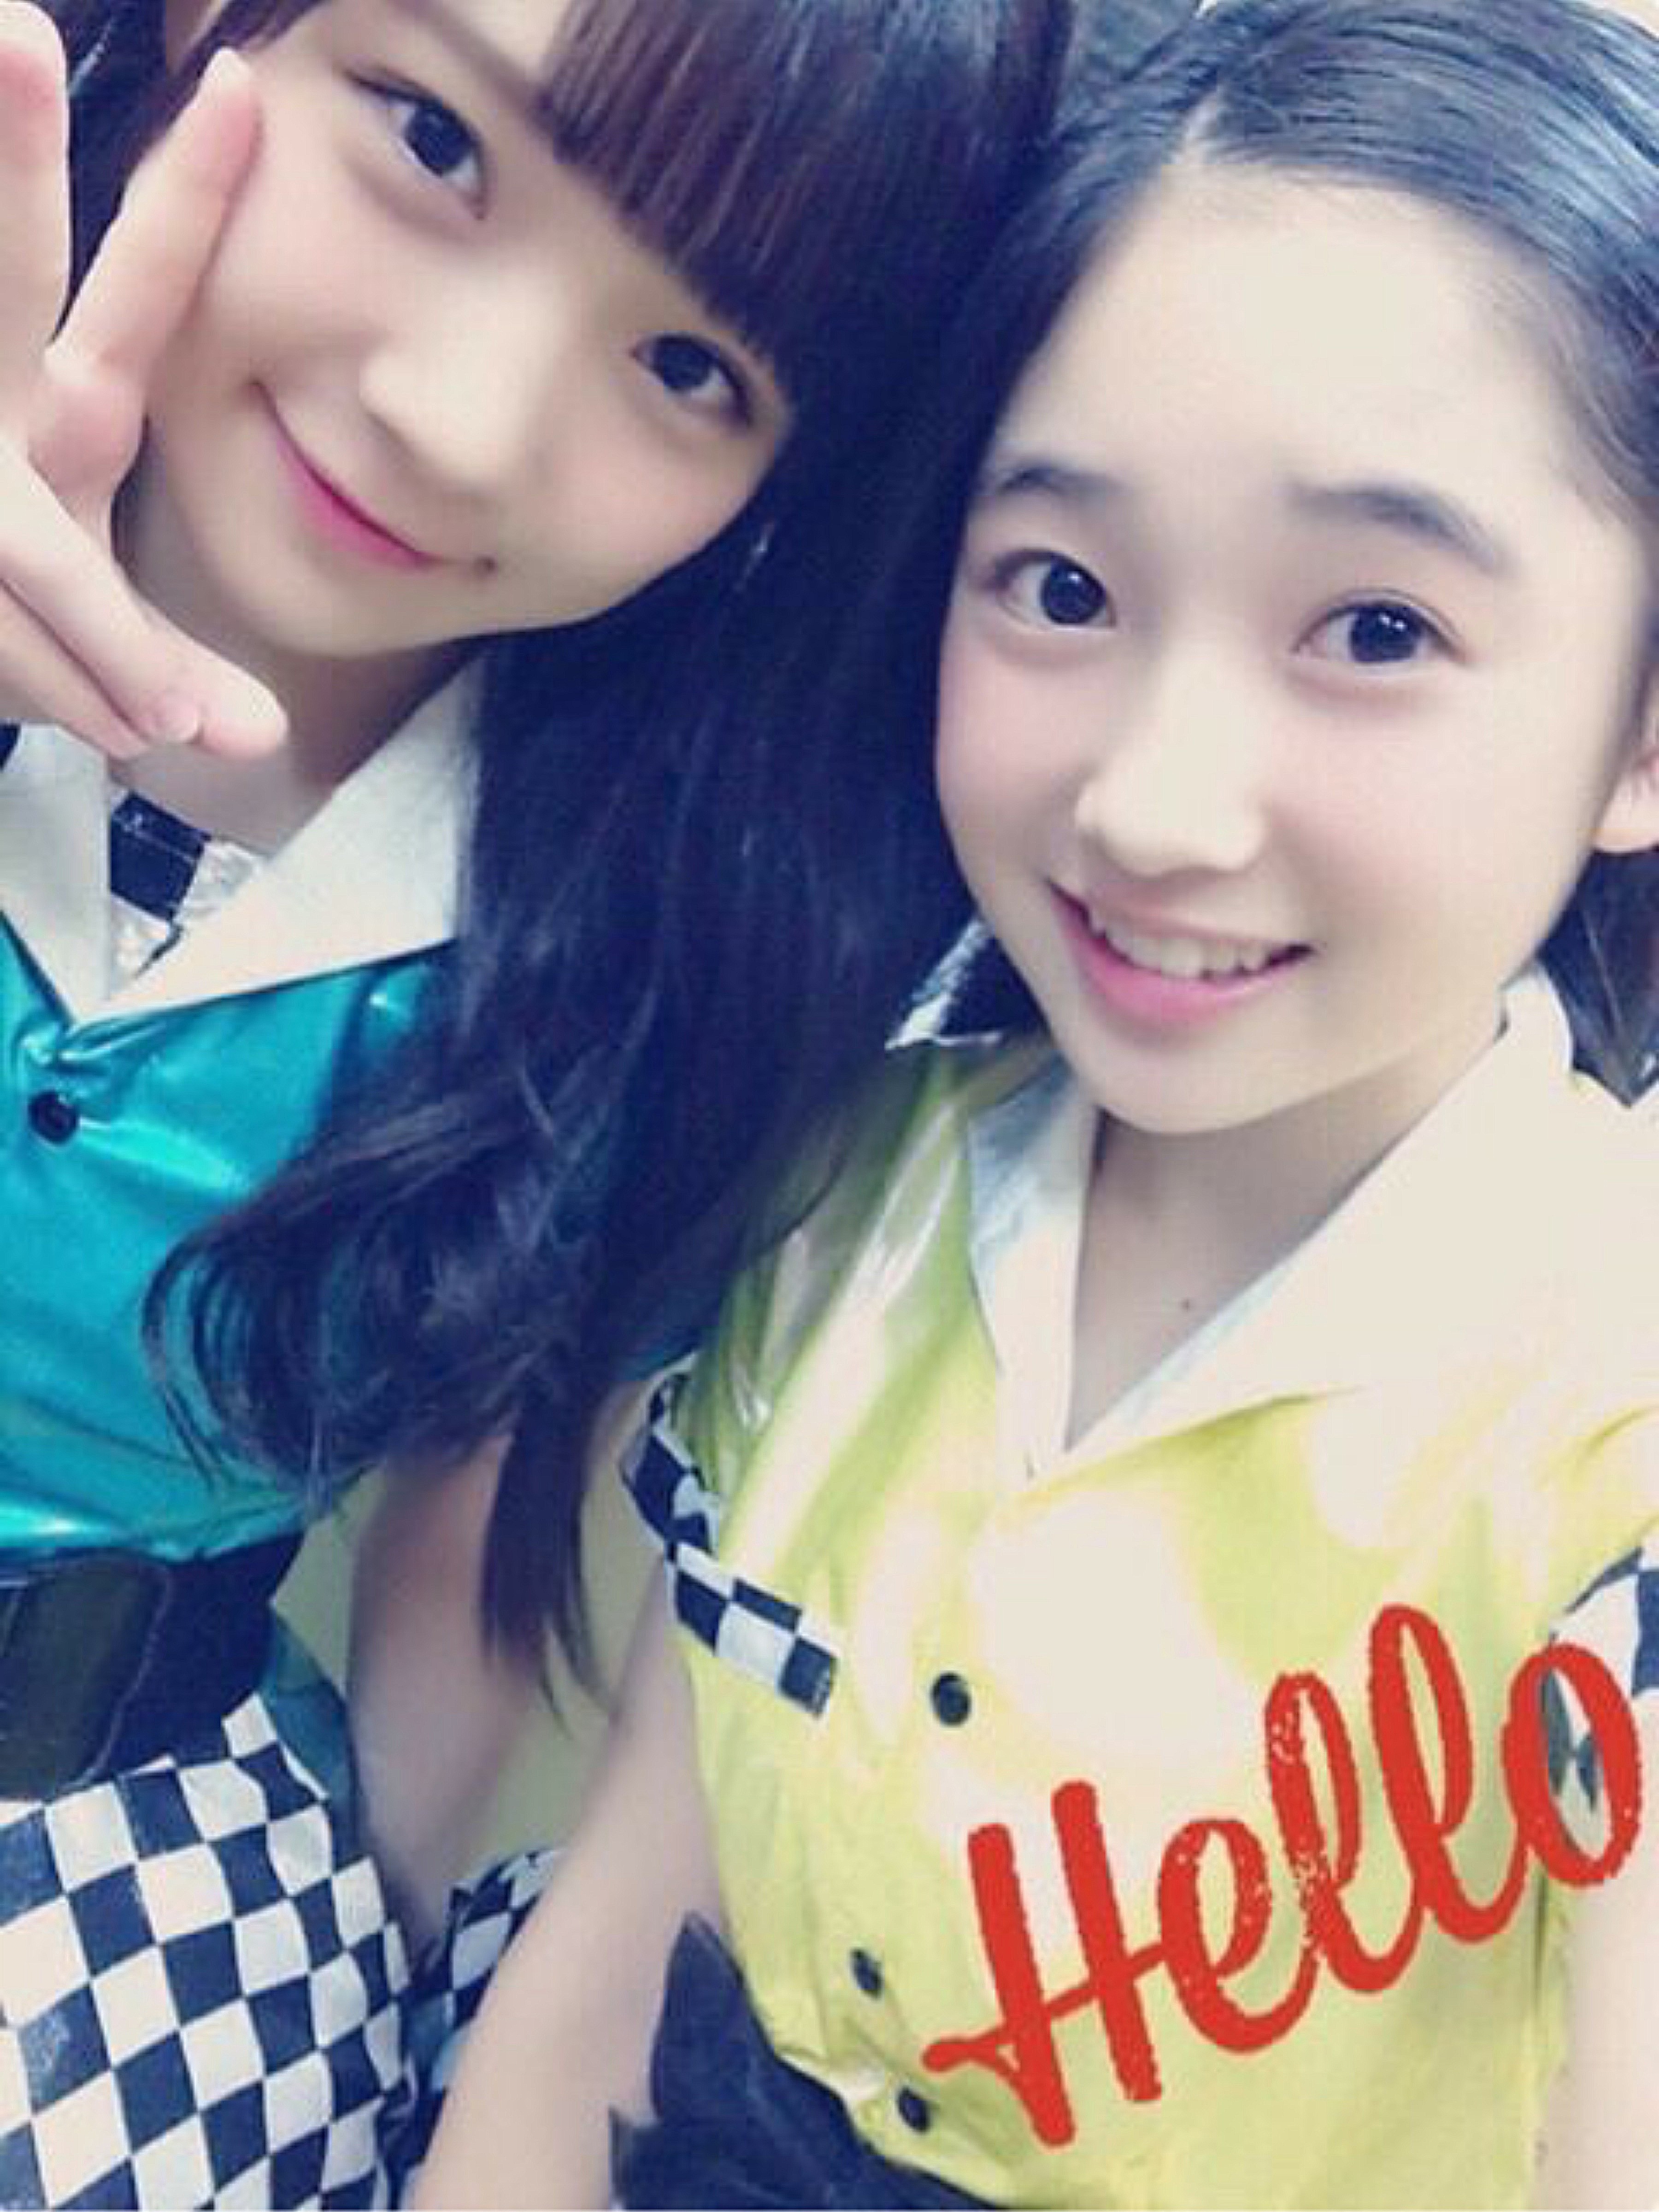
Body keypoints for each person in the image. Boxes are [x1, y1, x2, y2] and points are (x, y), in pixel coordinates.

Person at [412, 1, 1659, 2203]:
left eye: (1376, 630)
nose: (1153, 804)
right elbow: (616, 1957)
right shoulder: (846, 1193)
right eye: (1062, 589)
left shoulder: (1600, 1427)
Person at [0, 0, 1079, 2200]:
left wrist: (361, 1967)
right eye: (429, 140)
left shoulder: (645, 970)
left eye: (690, 365)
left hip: (118, 1871)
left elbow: (468, 1559)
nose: (462, 423)